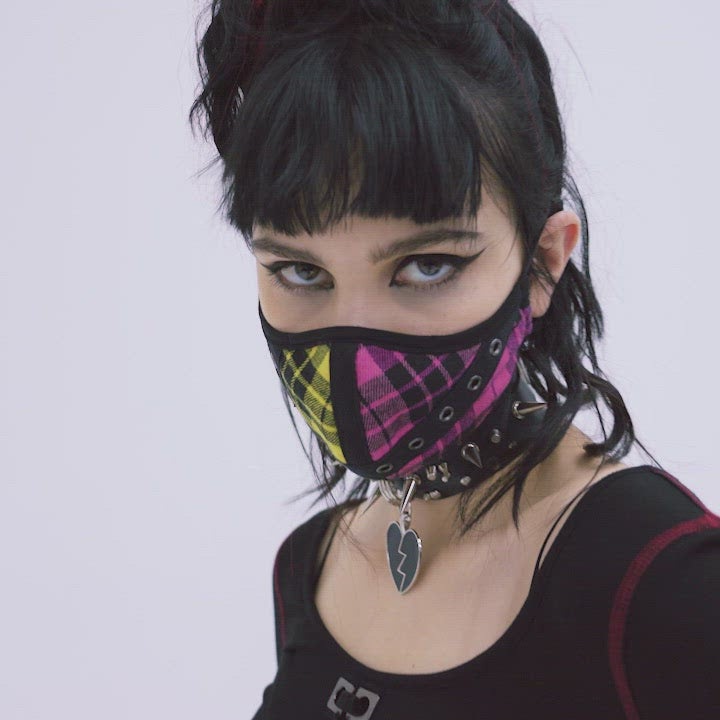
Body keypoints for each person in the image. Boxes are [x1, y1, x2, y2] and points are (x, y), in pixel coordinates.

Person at [188, 1, 720, 717]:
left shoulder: (664, 581)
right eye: (301, 272)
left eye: (427, 265)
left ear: (543, 262)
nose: (356, 344)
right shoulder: (308, 567)